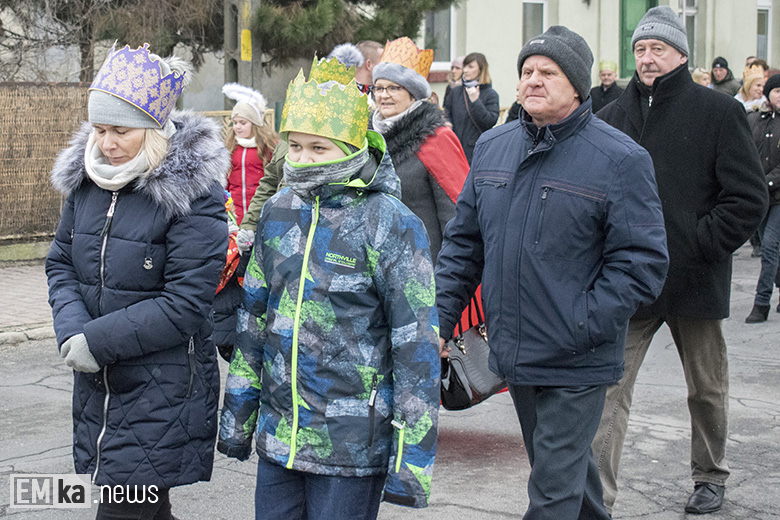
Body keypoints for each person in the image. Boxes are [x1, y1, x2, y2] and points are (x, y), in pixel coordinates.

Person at [435, 26, 669, 519]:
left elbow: (642, 262)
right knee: (569, 481)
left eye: (548, 72)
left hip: (577, 359)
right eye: (526, 71)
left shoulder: (621, 159)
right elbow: (464, 245)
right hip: (513, 352)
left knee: (550, 495)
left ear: (578, 86)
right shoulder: (494, 147)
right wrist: (439, 321)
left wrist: (582, 321)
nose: (533, 80)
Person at [217, 55, 440, 519]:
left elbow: (415, 346)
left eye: (319, 148)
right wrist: (237, 421)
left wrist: (411, 460)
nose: (303, 159)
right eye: (295, 147)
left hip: (351, 450)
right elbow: (254, 324)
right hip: (281, 438)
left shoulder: (390, 223)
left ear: (353, 148)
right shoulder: (278, 212)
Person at [591, 6, 769, 516]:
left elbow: (748, 197)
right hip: (631, 282)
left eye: (658, 49)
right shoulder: (610, 118)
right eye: (640, 50)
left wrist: (701, 241)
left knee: (706, 389)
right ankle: (597, 495)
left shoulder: (717, 112)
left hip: (696, 277)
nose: (647, 58)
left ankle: (710, 476)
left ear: (681, 55)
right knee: (609, 390)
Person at [46, 43, 229, 519]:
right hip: (100, 380)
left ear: (153, 130)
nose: (106, 143)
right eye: (100, 129)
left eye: (120, 131)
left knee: (122, 506)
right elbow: (61, 263)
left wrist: (96, 341)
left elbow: (185, 304)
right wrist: (74, 333)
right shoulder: (87, 182)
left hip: (163, 389)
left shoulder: (193, 194)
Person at [371, 36, 470, 263]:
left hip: (423, 263)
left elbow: (456, 215)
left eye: (393, 88)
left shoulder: (437, 139)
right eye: (379, 88)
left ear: (412, 93)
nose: (384, 95)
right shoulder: (368, 138)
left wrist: (450, 275)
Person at [745, 73, 780, 323]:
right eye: (777, 91)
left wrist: (767, 182)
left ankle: (761, 302)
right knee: (770, 247)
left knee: (770, 246)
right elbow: (745, 153)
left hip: (777, 196)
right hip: (758, 197)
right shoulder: (754, 120)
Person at [222, 83, 279, 225]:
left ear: (254, 124)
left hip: (259, 208)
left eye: (242, 122)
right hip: (235, 209)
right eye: (234, 122)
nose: (237, 127)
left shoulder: (268, 146)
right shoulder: (230, 146)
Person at [443, 52, 500, 163]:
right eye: (465, 66)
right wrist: (447, 122)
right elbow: (446, 111)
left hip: (477, 152)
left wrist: (475, 101)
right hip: (454, 149)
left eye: (470, 67)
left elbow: (489, 122)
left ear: (481, 69)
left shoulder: (490, 94)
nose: (465, 70)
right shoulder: (456, 92)